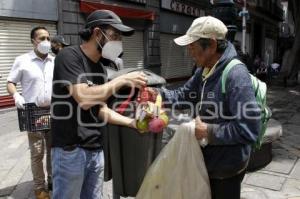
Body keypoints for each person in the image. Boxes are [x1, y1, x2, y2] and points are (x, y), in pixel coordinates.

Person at [150, 16, 260, 199]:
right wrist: (158, 95)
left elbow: (250, 129)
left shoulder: (236, 76)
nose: (190, 52)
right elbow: (184, 95)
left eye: (193, 47)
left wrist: (209, 131)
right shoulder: (204, 70)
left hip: (226, 170)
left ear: (211, 44)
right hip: (206, 163)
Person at [51, 9, 147, 199]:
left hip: (95, 149)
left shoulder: (101, 69)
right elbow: (85, 99)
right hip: (70, 151)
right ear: (97, 33)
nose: (118, 42)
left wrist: (132, 123)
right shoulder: (69, 57)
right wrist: (122, 80)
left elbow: (101, 110)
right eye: (115, 35)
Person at [7, 26, 54, 199]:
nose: (46, 42)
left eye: (48, 38)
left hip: (53, 111)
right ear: (33, 40)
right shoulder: (22, 60)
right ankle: (39, 188)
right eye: (42, 38)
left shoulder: (54, 60)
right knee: (37, 152)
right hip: (32, 113)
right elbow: (10, 82)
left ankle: (52, 179)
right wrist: (16, 95)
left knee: (52, 149)